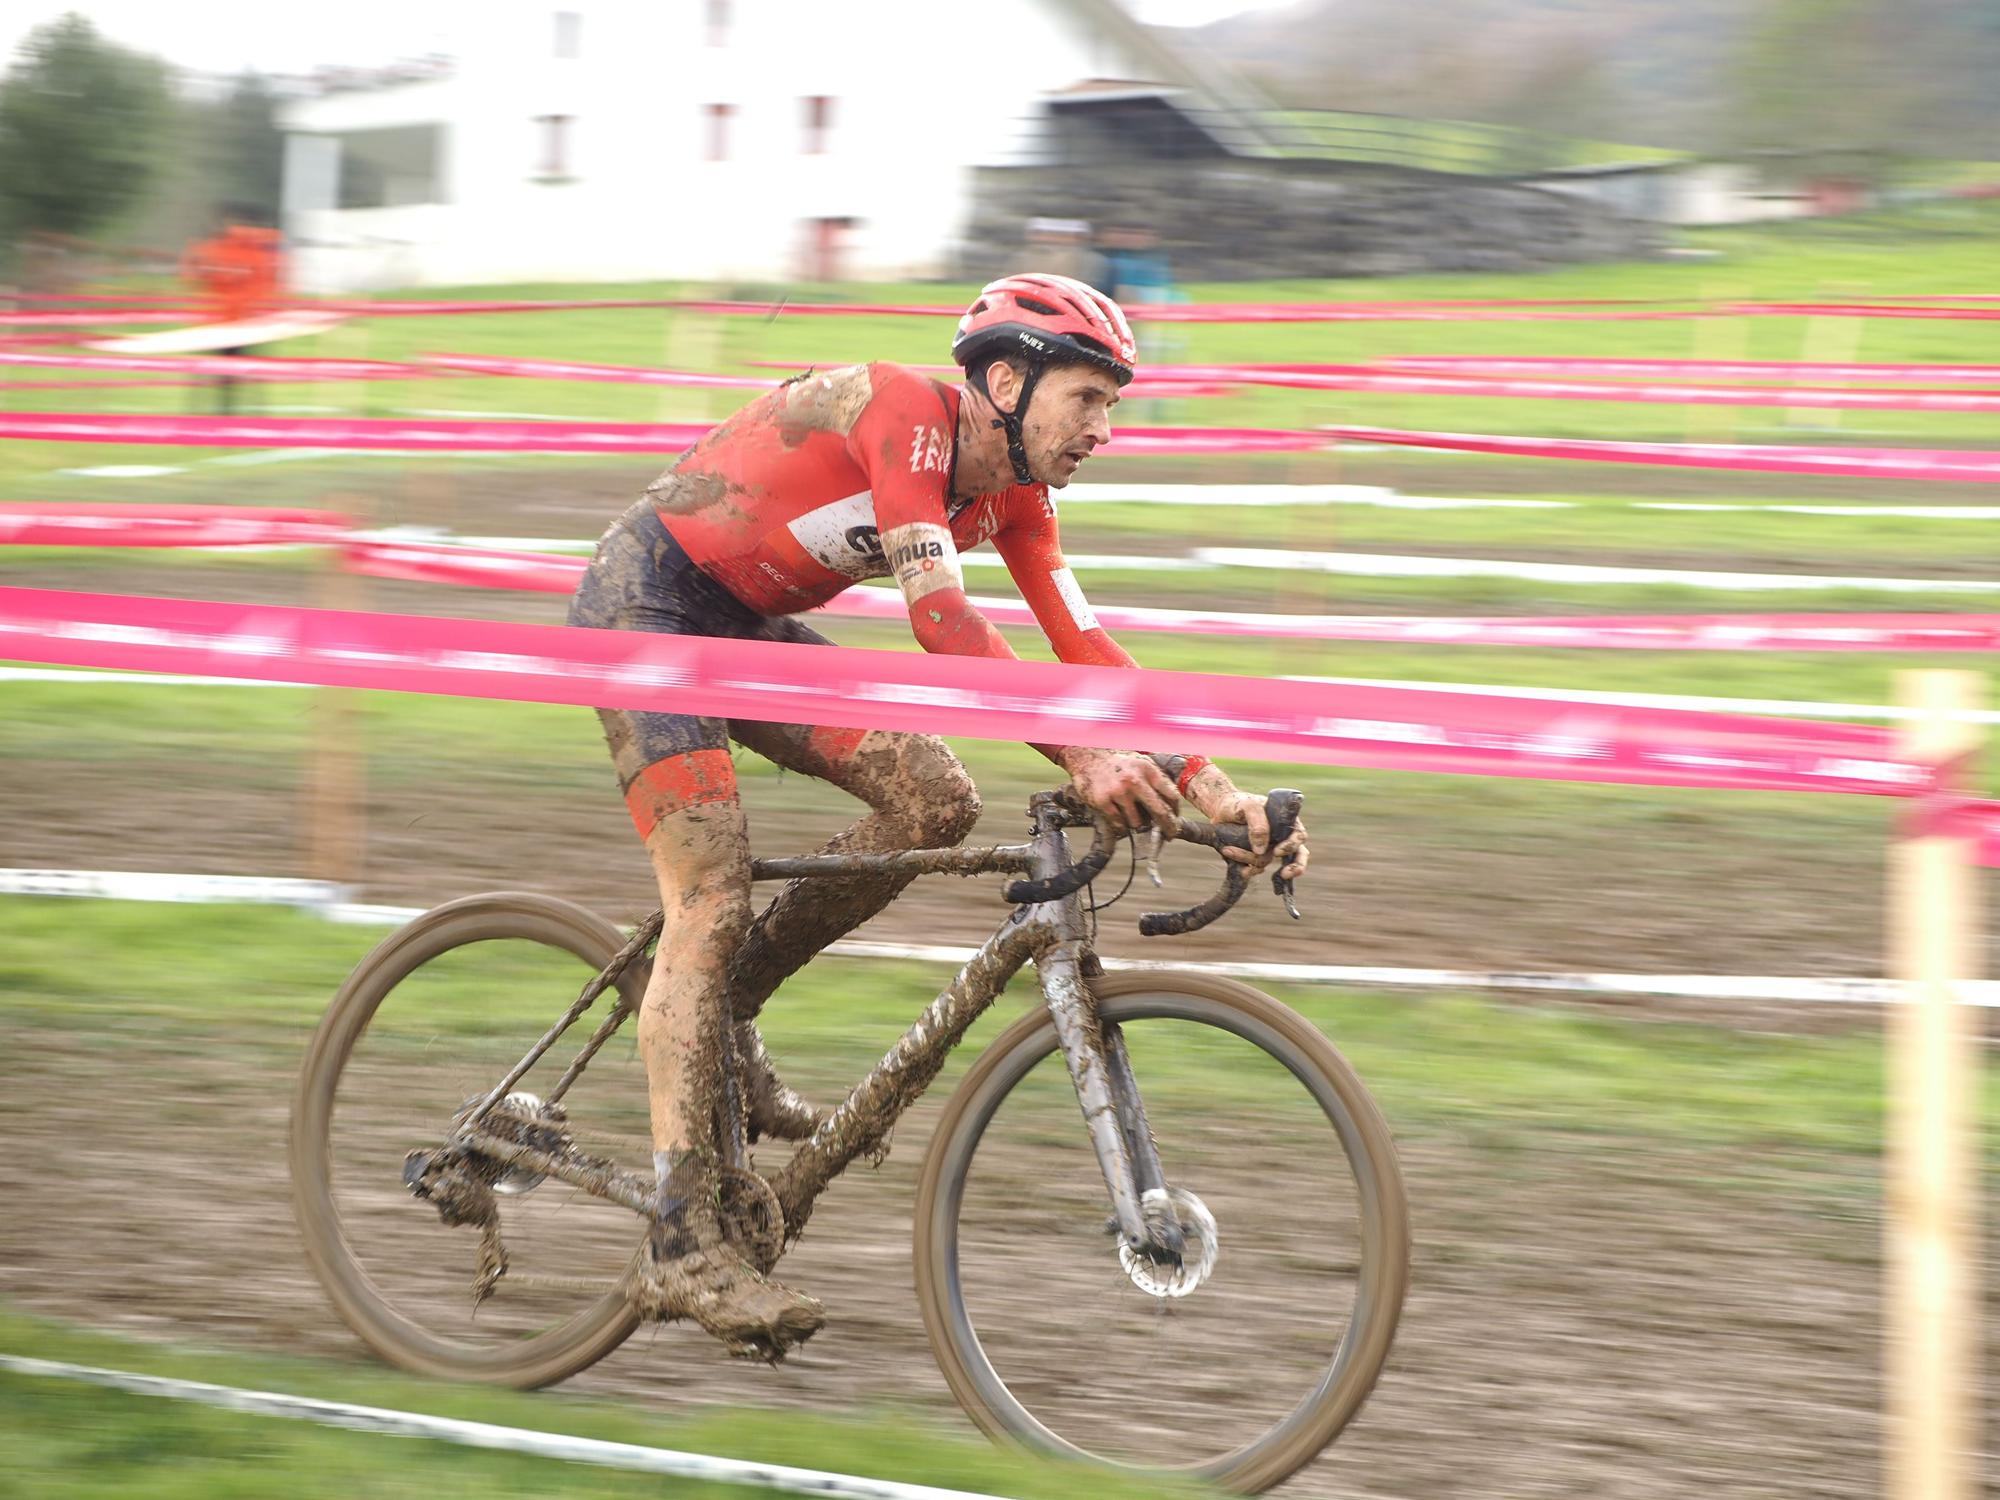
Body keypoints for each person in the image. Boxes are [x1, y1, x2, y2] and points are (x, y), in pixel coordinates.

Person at [568, 272, 1309, 1361]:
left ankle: (726, 1003)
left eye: (1112, 406)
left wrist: (1214, 789)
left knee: (936, 799)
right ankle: (679, 1246)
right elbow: (944, 621)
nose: (1104, 429)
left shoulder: (1017, 497)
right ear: (1005, 383)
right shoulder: (904, 417)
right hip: (646, 604)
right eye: (1087, 399)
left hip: (744, 624)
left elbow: (1086, 649)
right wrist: (1085, 756)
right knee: (710, 893)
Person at [180, 210, 284, 412]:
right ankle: (238, 413)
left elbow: (193, 276)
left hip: (230, 323)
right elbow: (196, 276)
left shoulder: (222, 249)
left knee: (220, 375)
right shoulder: (247, 250)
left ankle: (223, 413)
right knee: (242, 375)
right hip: (235, 322)